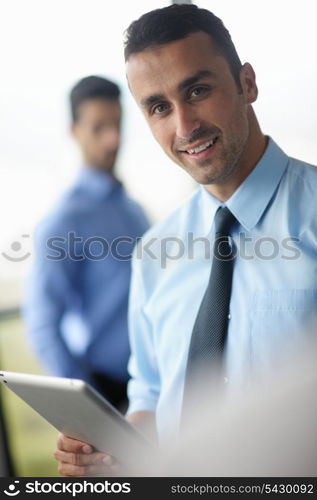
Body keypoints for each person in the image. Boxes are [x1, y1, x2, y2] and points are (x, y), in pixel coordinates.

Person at [54, 4, 317, 476]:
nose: (184, 126)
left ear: (247, 83)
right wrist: (112, 454)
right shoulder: (154, 251)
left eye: (197, 90)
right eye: (158, 107)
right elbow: (152, 397)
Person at [23, 75, 149, 412]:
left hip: (155, 388)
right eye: (98, 128)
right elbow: (43, 325)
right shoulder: (64, 222)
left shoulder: (132, 208)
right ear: (74, 131)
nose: (113, 139)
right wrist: (91, 410)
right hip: (111, 393)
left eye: (118, 124)